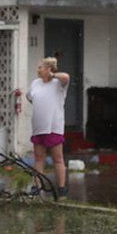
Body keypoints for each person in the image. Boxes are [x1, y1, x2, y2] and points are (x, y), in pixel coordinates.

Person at [26, 57, 70, 197]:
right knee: (39, 158)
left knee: (58, 158)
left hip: (54, 127)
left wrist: (53, 75)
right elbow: (29, 97)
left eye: (41, 67)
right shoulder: (35, 83)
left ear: (49, 69)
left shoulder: (58, 83)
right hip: (39, 127)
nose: (38, 69)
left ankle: (62, 186)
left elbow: (66, 77)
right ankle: (37, 186)